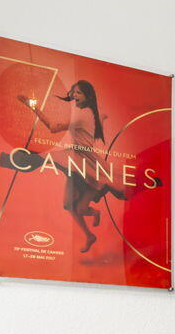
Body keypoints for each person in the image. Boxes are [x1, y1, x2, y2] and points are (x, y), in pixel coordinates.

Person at [19, 80, 126, 253]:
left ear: (88, 96)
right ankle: (90, 235)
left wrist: (32, 107)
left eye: (78, 93)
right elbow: (100, 118)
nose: (74, 95)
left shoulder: (81, 116)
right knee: (71, 206)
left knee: (91, 196)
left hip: (84, 161)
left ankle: (102, 195)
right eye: (73, 92)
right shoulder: (93, 113)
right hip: (76, 162)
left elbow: (53, 128)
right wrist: (103, 119)